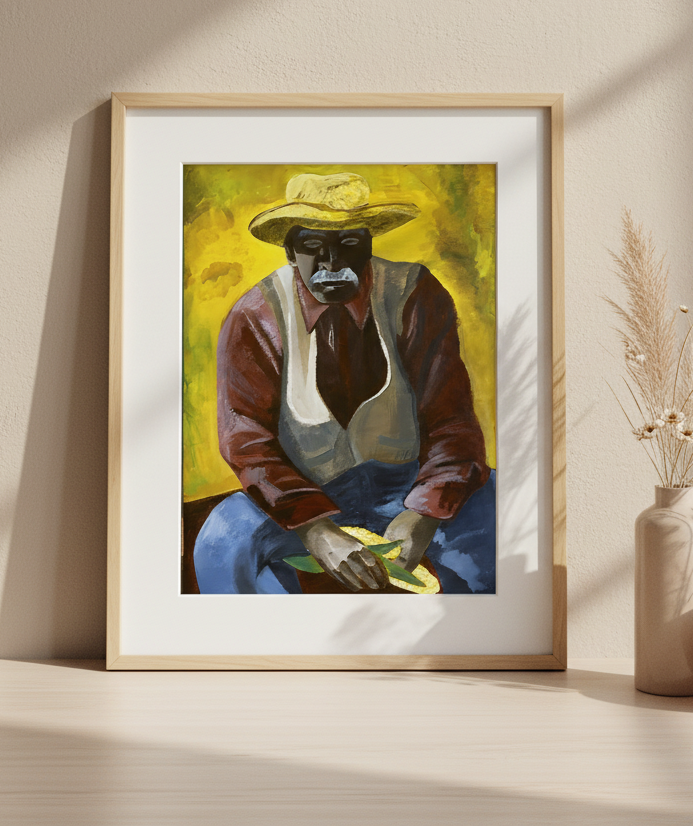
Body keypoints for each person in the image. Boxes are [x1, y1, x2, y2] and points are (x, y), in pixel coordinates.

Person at [193, 172, 496, 594]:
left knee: (499, 509)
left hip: (409, 484)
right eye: (312, 246)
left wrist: (424, 511)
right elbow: (247, 440)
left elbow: (452, 419)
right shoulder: (256, 315)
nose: (332, 263)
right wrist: (315, 529)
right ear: (290, 251)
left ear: (369, 244)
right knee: (221, 540)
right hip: (303, 492)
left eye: (349, 243)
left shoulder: (415, 294)